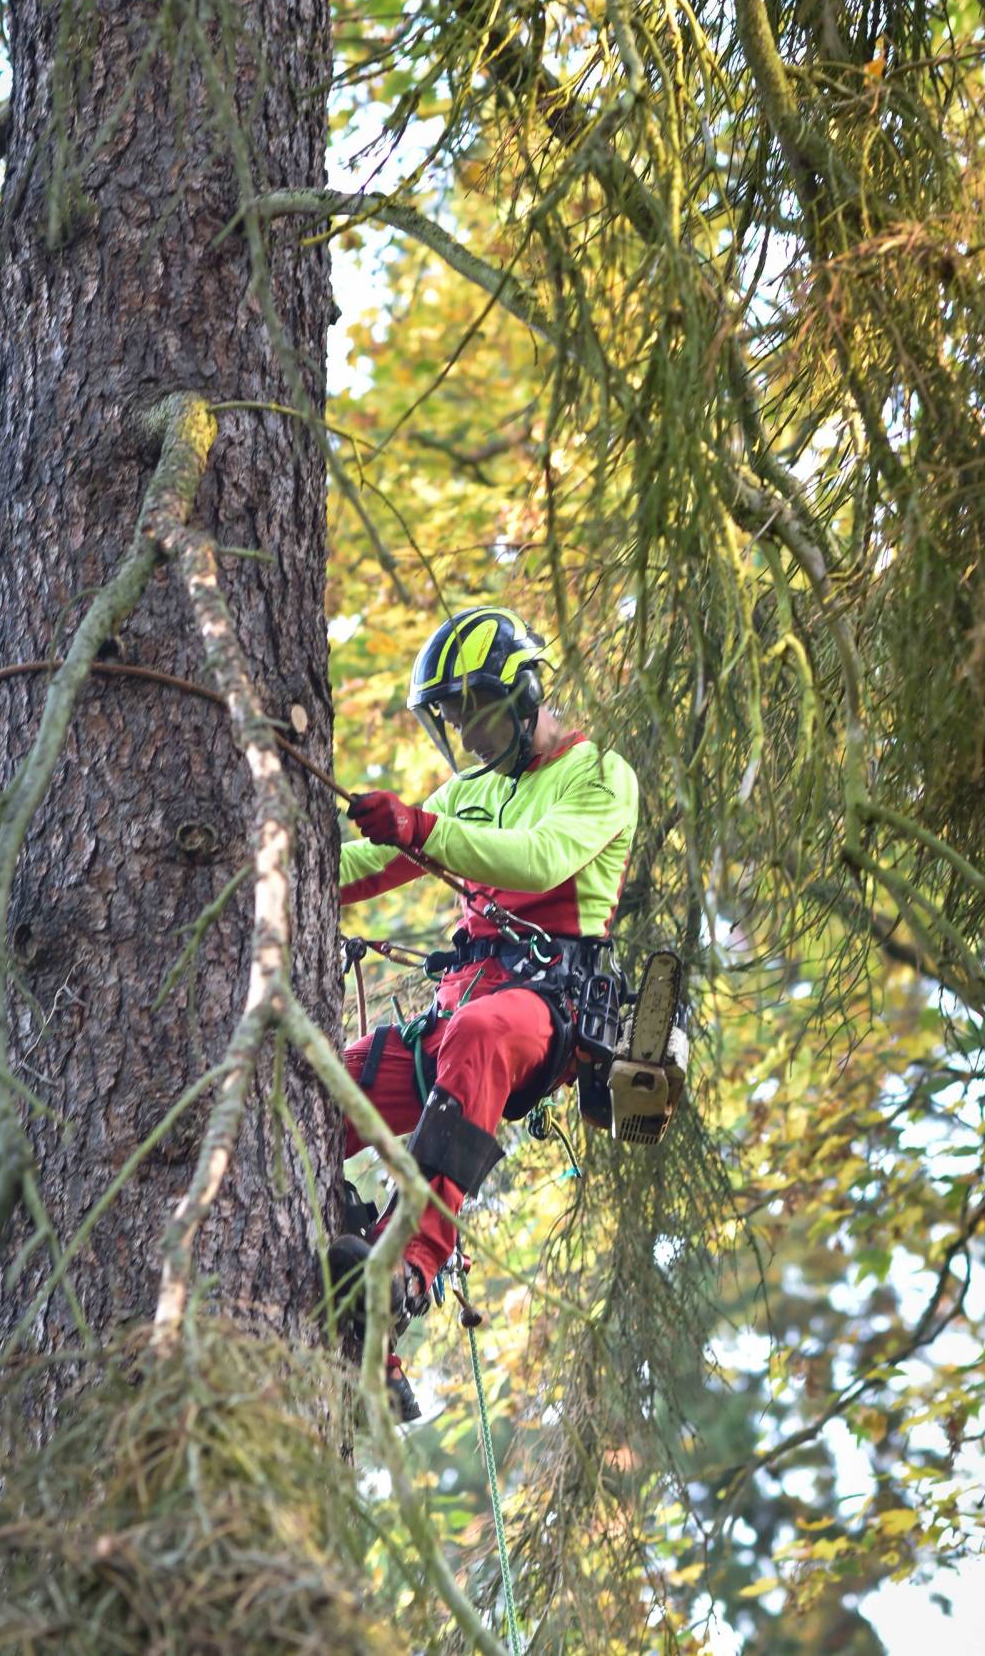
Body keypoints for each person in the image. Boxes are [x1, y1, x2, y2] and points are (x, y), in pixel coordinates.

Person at [330, 605, 638, 1420]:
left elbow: (540, 857)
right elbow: (366, 860)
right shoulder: (467, 791)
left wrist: (422, 829)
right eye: (455, 720)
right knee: (316, 1091)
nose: (467, 737)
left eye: (480, 713)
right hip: (449, 1023)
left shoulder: (599, 774)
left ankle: (410, 1268)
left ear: (528, 693)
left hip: (542, 1013)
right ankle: (362, 1325)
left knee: (479, 1032)